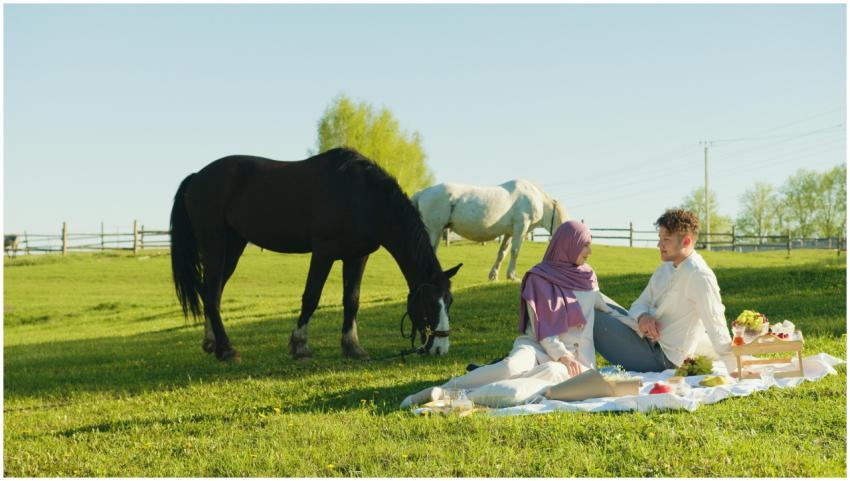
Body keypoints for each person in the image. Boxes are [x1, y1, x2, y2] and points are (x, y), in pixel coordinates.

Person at [400, 220, 634, 408]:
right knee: (511, 368)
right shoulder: (539, 278)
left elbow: (608, 308)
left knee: (552, 373)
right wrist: (563, 356)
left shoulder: (588, 278)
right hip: (536, 346)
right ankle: (445, 388)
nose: (590, 251)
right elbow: (543, 330)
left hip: (577, 359)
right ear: (568, 244)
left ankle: (457, 397)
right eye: (585, 245)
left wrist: (639, 323)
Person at [593, 209, 737, 374]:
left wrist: (734, 368)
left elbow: (715, 322)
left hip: (661, 358)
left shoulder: (699, 276)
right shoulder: (665, 268)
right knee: (593, 299)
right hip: (642, 337)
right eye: (659, 239)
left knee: (590, 315)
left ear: (687, 241)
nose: (659, 245)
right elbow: (640, 303)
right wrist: (643, 317)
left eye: (666, 240)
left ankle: (574, 369)